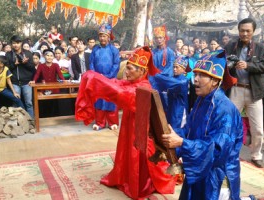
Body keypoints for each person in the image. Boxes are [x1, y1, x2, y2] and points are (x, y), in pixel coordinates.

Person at [75, 46, 176, 199]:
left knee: (137, 154)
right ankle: (126, 176)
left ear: (142, 72)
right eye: (126, 68)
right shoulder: (132, 84)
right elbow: (117, 84)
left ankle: (140, 183)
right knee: (127, 150)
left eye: (130, 69)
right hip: (130, 126)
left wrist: (94, 79)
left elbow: (119, 93)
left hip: (140, 131)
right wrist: (95, 78)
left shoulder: (143, 88)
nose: (126, 72)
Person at [161, 50, 243, 199]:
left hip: (217, 176)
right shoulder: (201, 100)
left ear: (215, 81)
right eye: (195, 74)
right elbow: (189, 130)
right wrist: (172, 144)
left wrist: (182, 143)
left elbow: (217, 149)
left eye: (202, 75)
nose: (195, 79)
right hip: (199, 168)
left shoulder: (225, 109)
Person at [225, 18, 264, 168]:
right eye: (242, 30)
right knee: (229, 124)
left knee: (257, 127)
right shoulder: (231, 46)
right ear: (238, 31)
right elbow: (222, 64)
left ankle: (256, 155)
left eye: (247, 30)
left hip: (254, 91)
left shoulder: (261, 47)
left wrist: (248, 65)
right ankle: (228, 153)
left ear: (253, 32)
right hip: (235, 89)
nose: (244, 33)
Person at [89, 23, 120, 131]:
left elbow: (116, 65)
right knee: (99, 101)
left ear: (108, 37)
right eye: (101, 36)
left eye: (104, 36)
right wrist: (96, 75)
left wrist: (107, 76)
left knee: (111, 101)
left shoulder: (114, 50)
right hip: (98, 80)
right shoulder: (95, 49)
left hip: (110, 80)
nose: (102, 38)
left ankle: (112, 122)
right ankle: (100, 122)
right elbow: (91, 63)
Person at [150, 55, 191, 129]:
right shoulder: (172, 78)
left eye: (177, 67)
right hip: (171, 108)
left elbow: (165, 81)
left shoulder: (183, 81)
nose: (174, 69)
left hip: (179, 111)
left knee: (177, 130)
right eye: (174, 67)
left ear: (184, 69)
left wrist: (155, 74)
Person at [6, 35, 35, 118]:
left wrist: (25, 63)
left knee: (29, 103)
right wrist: (14, 65)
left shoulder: (27, 53)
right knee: (15, 102)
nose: (16, 45)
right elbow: (6, 69)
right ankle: (16, 122)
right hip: (14, 82)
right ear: (11, 44)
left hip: (26, 82)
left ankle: (31, 121)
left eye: (18, 43)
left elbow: (32, 68)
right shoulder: (8, 54)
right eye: (14, 43)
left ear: (21, 43)